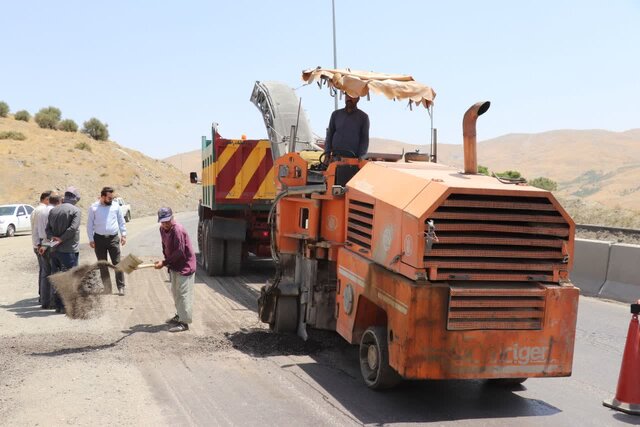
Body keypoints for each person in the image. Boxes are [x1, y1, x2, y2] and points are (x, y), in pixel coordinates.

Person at [153, 207, 196, 332]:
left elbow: (179, 251)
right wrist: (165, 261)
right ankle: (179, 315)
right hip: (174, 265)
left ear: (172, 217)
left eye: (167, 221)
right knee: (176, 293)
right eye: (163, 221)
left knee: (183, 294)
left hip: (185, 265)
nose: (165, 224)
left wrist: (164, 262)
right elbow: (165, 245)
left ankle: (184, 323)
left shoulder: (177, 229)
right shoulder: (162, 229)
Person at [45, 186, 82, 313]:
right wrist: (61, 239)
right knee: (70, 278)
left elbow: (47, 230)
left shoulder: (53, 211)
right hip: (69, 250)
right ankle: (69, 306)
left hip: (54, 250)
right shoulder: (76, 211)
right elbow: (73, 229)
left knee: (57, 277)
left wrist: (53, 239)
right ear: (75, 199)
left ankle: (58, 305)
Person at [87, 187, 127, 295]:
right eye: (109, 198)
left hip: (113, 238)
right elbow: (89, 225)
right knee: (103, 264)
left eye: (112, 198)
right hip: (99, 239)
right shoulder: (93, 207)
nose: (111, 200)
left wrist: (123, 234)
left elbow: (121, 221)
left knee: (117, 263)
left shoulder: (115, 206)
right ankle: (107, 288)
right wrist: (91, 239)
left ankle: (121, 287)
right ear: (103, 196)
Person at [324, 94, 370, 159]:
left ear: (358, 99)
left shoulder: (363, 117)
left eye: (352, 96)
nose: (349, 99)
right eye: (347, 96)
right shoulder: (336, 114)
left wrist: (361, 157)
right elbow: (329, 134)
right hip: (335, 157)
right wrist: (327, 153)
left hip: (353, 159)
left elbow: (364, 139)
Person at [31, 191, 53, 307]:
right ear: (46, 199)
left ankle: (42, 296)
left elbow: (34, 229)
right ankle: (45, 297)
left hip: (38, 244)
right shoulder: (43, 210)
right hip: (43, 244)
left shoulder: (36, 210)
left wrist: (36, 244)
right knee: (46, 271)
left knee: (43, 271)